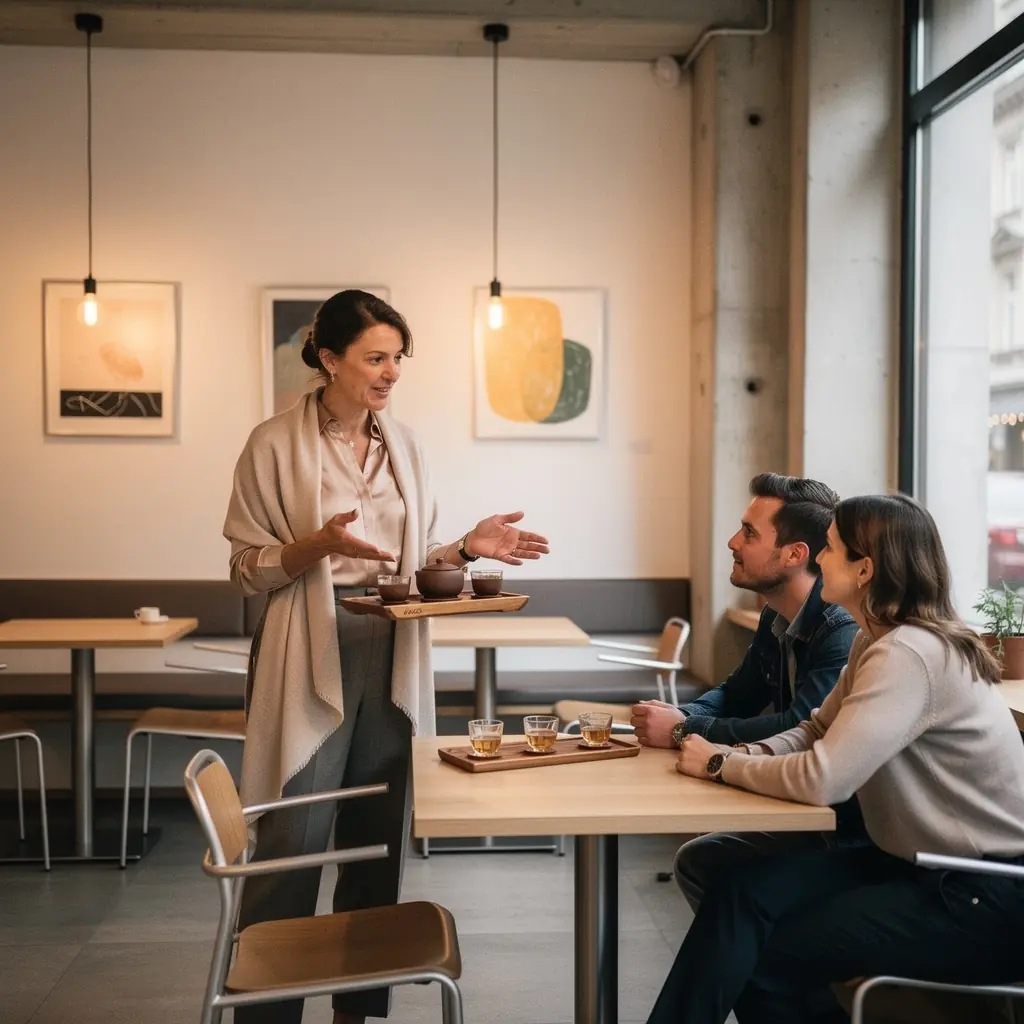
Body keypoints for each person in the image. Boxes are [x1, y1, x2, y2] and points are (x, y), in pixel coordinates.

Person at [223, 289, 549, 1024]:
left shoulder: (406, 445)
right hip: (310, 644)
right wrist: (318, 545)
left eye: (398, 357)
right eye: (375, 357)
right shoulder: (272, 444)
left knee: (376, 835)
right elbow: (246, 569)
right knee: (292, 837)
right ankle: (265, 1012)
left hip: (391, 645)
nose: (391, 371)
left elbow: (409, 565)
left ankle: (356, 1011)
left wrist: (466, 548)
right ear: (329, 358)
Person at [648, 493, 1024, 1024]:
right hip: (916, 866)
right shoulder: (876, 641)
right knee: (740, 893)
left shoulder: (908, 653)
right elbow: (814, 732)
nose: (819, 560)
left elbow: (824, 778)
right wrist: (736, 754)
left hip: (983, 895)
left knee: (768, 950)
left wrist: (719, 765)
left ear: (865, 568)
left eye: (830, 549)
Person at [630, 473, 861, 909]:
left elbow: (801, 725)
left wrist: (684, 729)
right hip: (804, 807)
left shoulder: (842, 631)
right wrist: (681, 716)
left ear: (795, 554)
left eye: (750, 533)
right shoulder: (777, 615)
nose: (733, 542)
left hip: (847, 830)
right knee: (698, 860)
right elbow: (737, 693)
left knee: (714, 868)